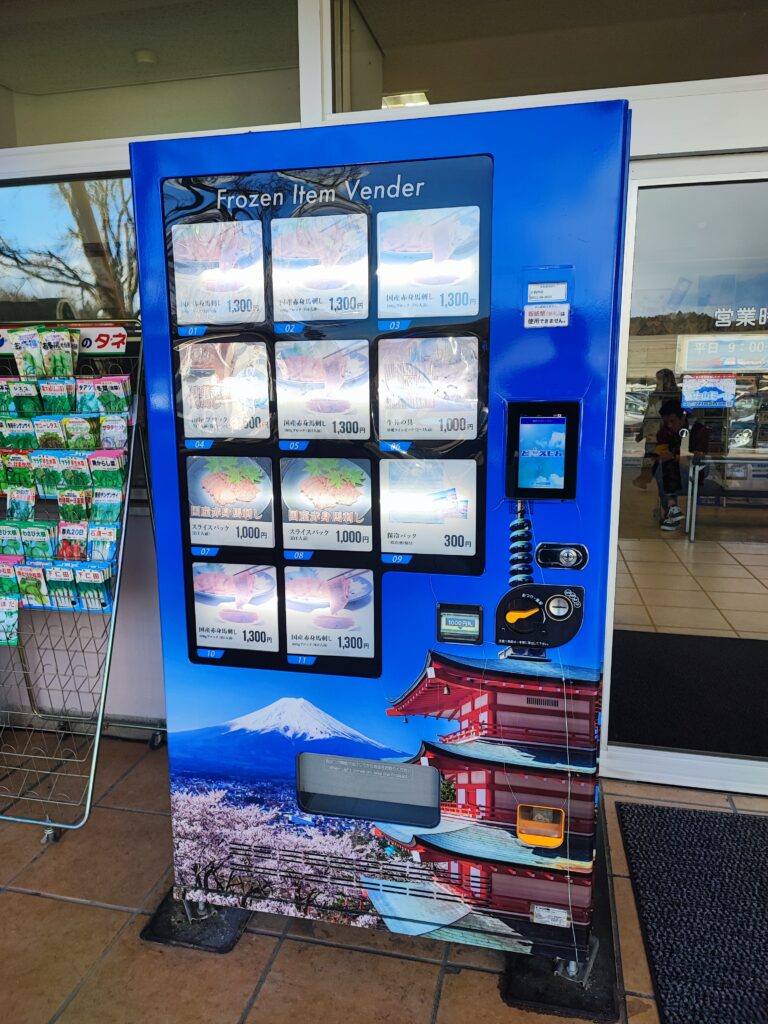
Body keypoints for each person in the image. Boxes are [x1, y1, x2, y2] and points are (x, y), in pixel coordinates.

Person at [654, 399, 710, 531]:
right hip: (672, 471)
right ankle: (673, 508)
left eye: (672, 421)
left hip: (695, 472)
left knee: (664, 469)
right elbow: (661, 452)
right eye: (666, 421)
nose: (669, 425)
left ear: (683, 417)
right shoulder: (664, 432)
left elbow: (696, 459)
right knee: (663, 467)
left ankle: (671, 510)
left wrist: (675, 457)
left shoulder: (699, 431)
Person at [632, 368, 681, 489]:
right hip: (653, 432)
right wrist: (642, 431)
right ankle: (645, 478)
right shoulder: (655, 395)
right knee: (650, 456)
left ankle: (665, 489)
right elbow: (648, 414)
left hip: (668, 433)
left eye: (659, 379)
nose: (658, 382)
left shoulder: (676, 395)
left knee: (666, 460)